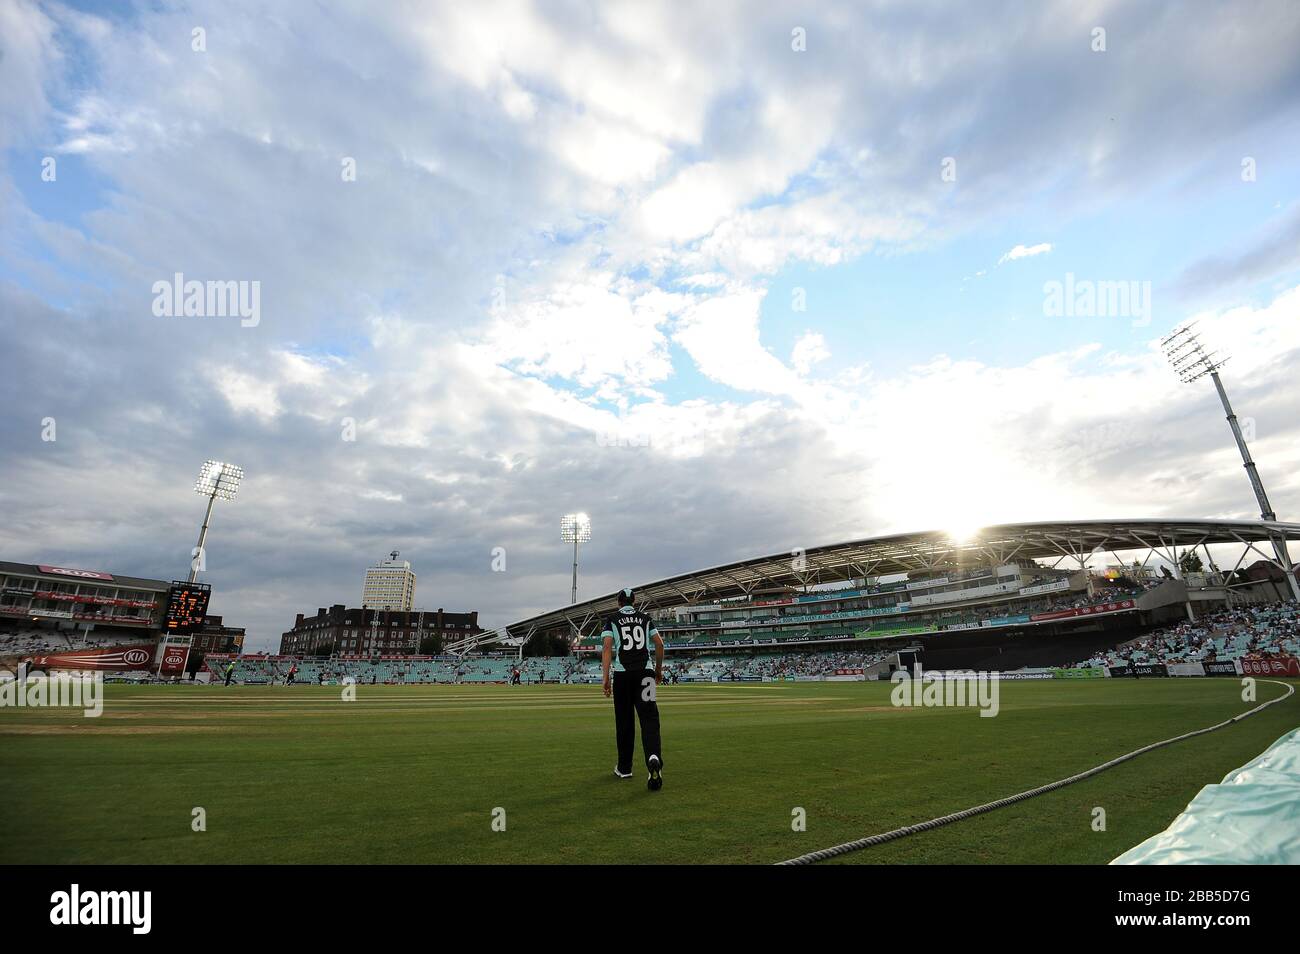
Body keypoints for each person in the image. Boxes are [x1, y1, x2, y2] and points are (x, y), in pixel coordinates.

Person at [601, 587, 664, 791]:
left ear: (619, 603)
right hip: (645, 675)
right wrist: (658, 670)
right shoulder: (645, 618)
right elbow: (659, 644)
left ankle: (625, 767)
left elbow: (608, 647)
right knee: (650, 719)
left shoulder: (612, 619)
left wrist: (606, 679)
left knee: (624, 721)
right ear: (634, 602)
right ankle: (653, 757)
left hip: (622, 675)